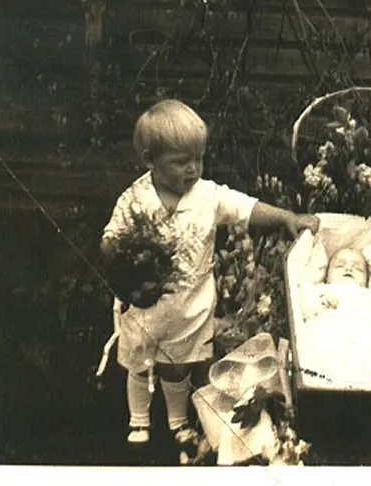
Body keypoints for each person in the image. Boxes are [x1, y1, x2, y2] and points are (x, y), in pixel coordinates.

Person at [100, 99, 319, 455]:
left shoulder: (207, 196)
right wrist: (114, 256)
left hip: (190, 305)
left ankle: (177, 421)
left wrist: (285, 218)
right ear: (148, 160)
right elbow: (112, 237)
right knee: (139, 363)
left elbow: (245, 208)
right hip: (144, 303)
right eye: (181, 161)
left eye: (198, 159)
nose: (192, 169)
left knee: (178, 365)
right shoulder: (135, 200)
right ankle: (138, 419)